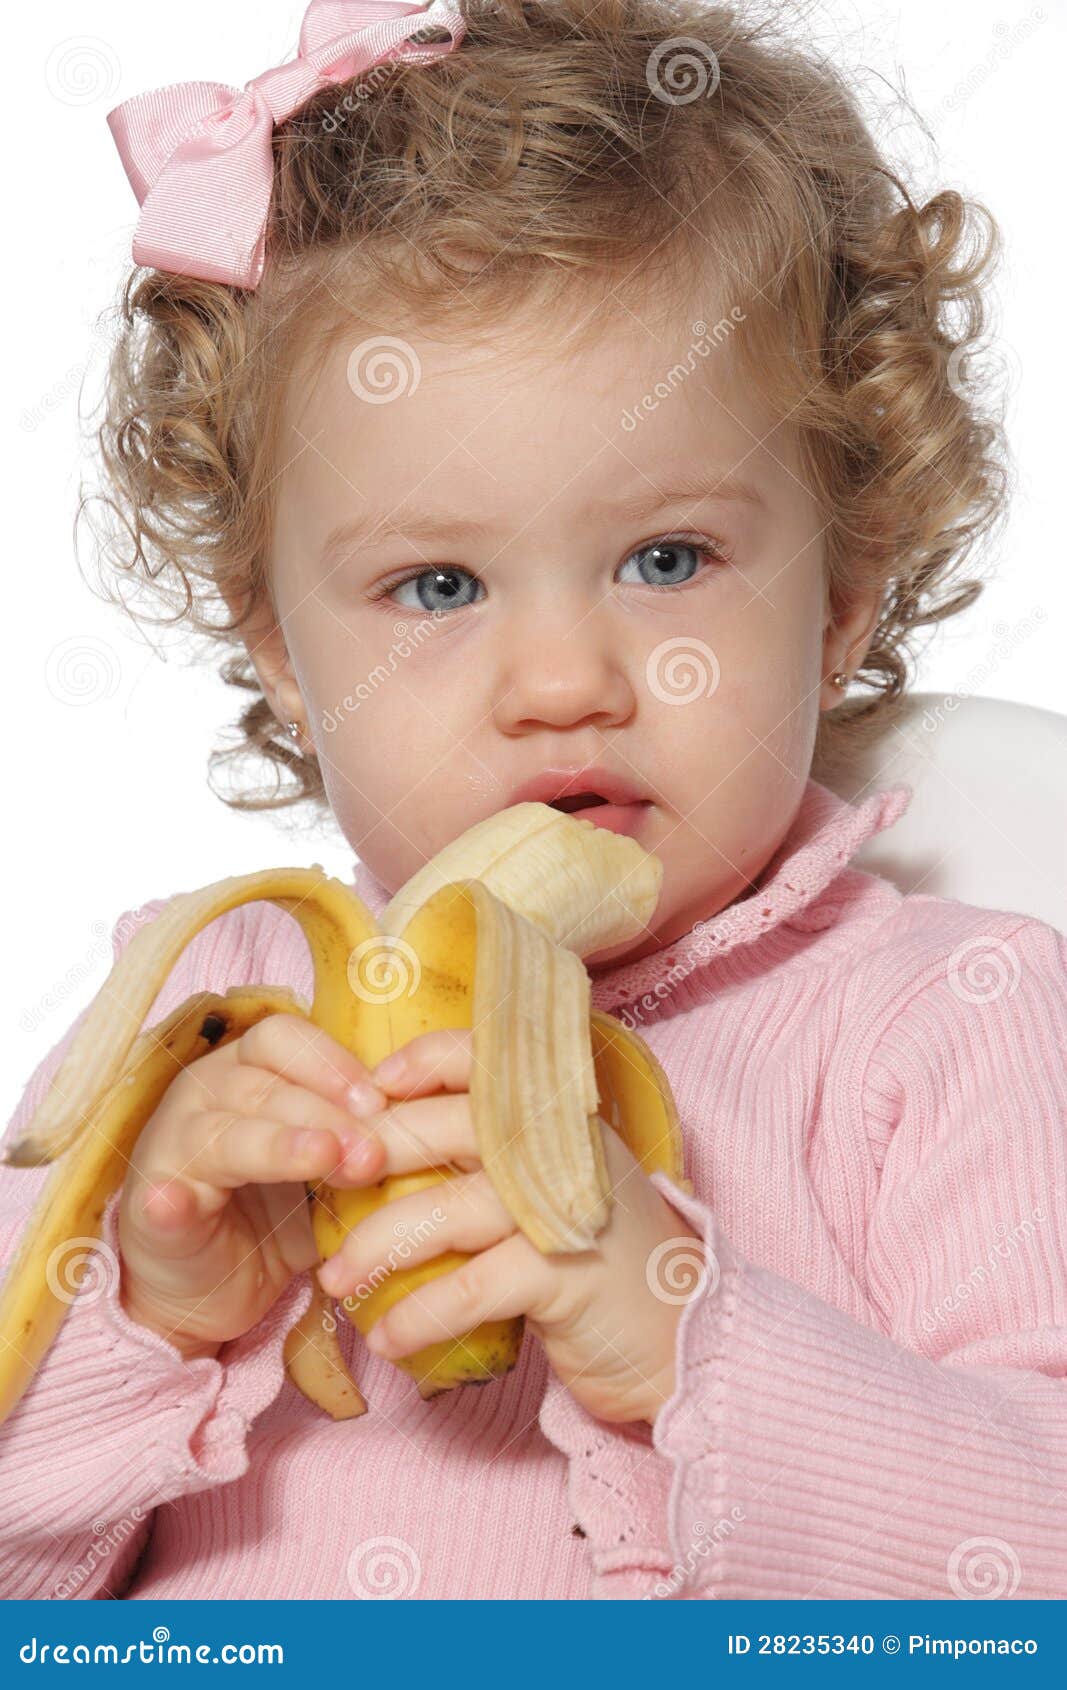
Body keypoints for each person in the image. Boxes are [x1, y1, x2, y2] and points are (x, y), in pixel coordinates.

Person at [1, 0, 1064, 1601]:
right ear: (283, 648)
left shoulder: (952, 1022)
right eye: (438, 583)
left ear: (842, 593)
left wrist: (686, 1331)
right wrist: (139, 1308)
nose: (563, 678)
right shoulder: (201, 1018)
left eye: (666, 559)